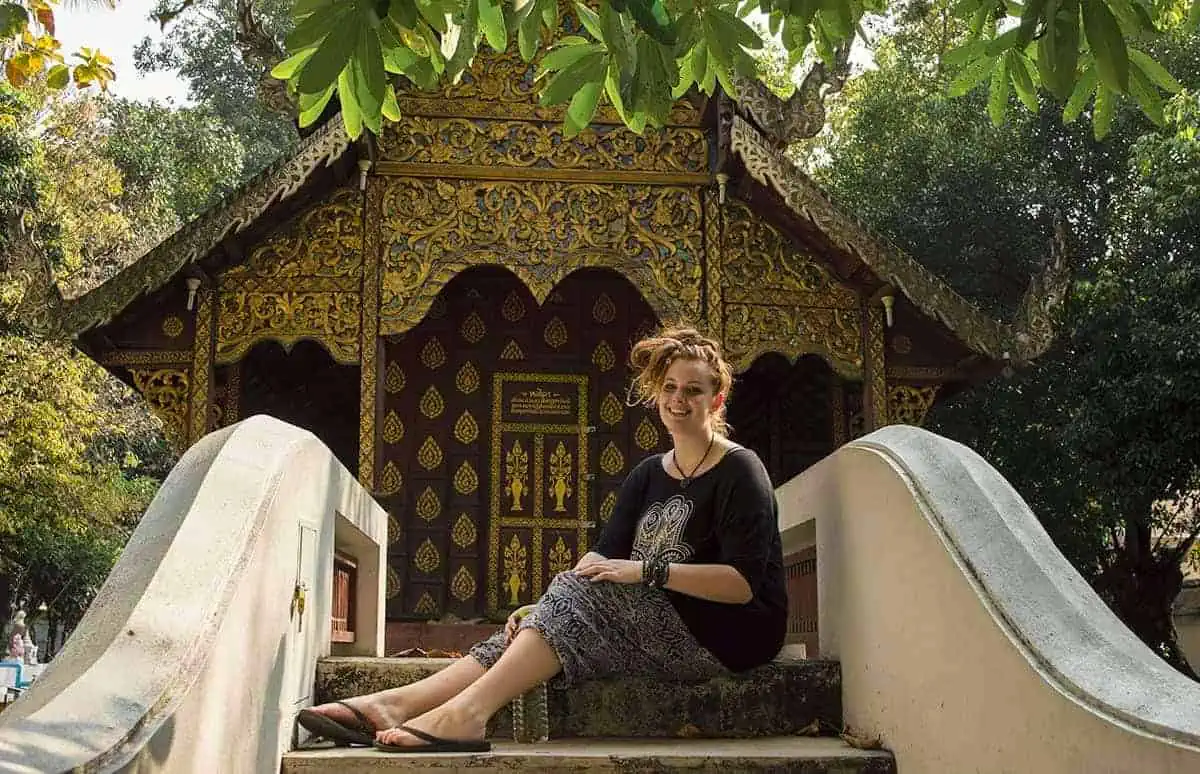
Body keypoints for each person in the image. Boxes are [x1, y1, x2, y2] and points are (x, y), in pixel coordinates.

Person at [297, 326, 788, 753]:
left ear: (717, 398)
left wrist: (645, 570)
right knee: (540, 616)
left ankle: (467, 715)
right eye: (671, 388)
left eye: (694, 391)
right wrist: (546, 603)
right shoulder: (647, 474)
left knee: (573, 598)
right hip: (658, 618)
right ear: (657, 393)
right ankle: (392, 704)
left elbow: (741, 585)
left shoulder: (740, 470)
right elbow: (601, 555)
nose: (679, 401)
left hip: (730, 635)